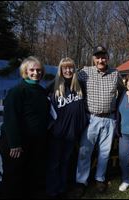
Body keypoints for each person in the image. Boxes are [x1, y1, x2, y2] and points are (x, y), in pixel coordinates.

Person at [0, 56, 50, 198]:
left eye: (38, 70)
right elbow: (10, 119)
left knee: (30, 179)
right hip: (15, 145)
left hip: (34, 144)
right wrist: (15, 144)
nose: (35, 73)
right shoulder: (17, 92)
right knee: (13, 181)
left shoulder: (41, 91)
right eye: (32, 70)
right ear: (25, 71)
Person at [76, 45, 125, 193]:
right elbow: (68, 83)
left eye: (103, 57)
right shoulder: (84, 72)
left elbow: (122, 91)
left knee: (104, 152)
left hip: (109, 119)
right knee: (85, 151)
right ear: (93, 58)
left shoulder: (115, 73)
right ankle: (81, 182)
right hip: (91, 118)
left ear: (107, 58)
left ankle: (100, 179)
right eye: (98, 57)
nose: (101, 60)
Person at [45, 57, 87, 198]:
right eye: (65, 68)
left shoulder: (79, 85)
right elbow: (41, 102)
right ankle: (52, 190)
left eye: (70, 68)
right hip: (57, 134)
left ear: (74, 69)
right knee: (54, 163)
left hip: (72, 134)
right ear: (61, 70)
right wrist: (51, 125)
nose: (68, 70)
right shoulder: (54, 85)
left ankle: (62, 188)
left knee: (65, 162)